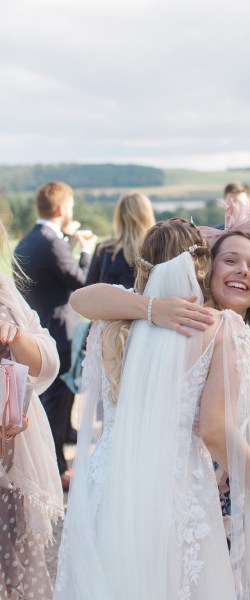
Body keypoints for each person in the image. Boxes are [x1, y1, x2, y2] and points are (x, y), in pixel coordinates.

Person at [55, 218, 250, 599]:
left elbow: (82, 300)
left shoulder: (114, 324)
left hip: (109, 481)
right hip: (177, 485)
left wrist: (149, 308)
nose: (242, 272)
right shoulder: (216, 326)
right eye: (229, 260)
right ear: (204, 265)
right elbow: (216, 430)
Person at [14, 181, 97, 491]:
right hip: (60, 335)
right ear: (62, 209)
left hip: (40, 331)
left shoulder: (28, 241)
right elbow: (81, 280)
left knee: (54, 404)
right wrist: (86, 251)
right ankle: (57, 469)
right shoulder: (52, 242)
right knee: (57, 406)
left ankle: (54, 464)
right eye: (71, 208)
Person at [0, 218, 64, 599]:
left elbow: (47, 361)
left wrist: (16, 336)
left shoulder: (4, 291)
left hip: (10, 460)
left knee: (14, 563)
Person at [85, 192, 155, 288]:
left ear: (119, 216)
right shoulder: (155, 249)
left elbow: (88, 289)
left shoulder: (103, 249)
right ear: (147, 215)